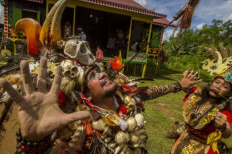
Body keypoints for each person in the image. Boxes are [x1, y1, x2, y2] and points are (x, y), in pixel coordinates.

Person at [0, 56, 201, 153]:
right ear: (86, 93)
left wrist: (178, 85)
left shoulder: (127, 97)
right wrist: (33, 142)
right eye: (92, 76)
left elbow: (153, 91)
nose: (103, 74)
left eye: (101, 70)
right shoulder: (81, 125)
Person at [170, 48, 232, 154]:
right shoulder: (197, 94)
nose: (218, 87)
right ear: (211, 83)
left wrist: (223, 126)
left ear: (228, 93)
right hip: (183, 140)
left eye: (225, 86)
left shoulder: (224, 111)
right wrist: (184, 80)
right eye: (217, 82)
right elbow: (188, 87)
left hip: (205, 148)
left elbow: (227, 132)